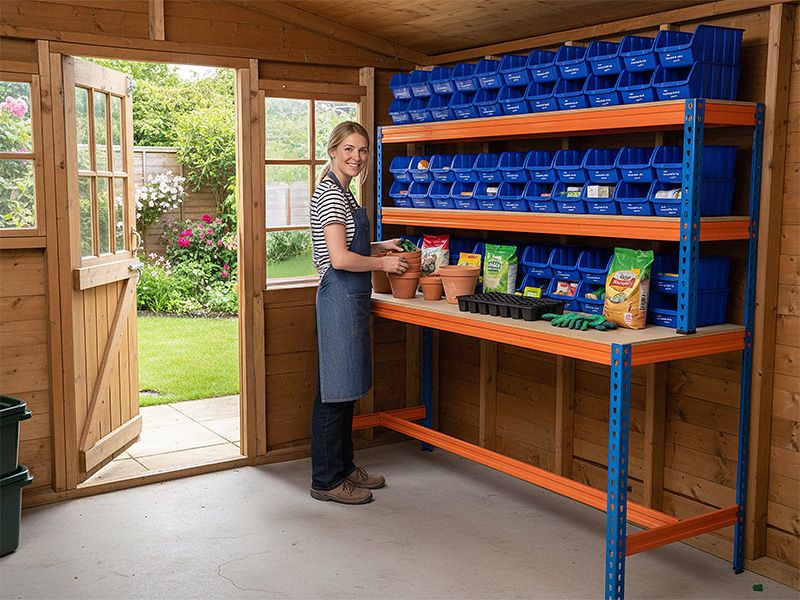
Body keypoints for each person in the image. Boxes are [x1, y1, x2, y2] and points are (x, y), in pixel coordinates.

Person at [309, 121, 407, 505]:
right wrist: (382, 266)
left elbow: (352, 241)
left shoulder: (344, 194)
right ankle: (326, 481)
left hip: (350, 300)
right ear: (332, 151)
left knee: (345, 390)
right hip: (338, 299)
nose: (357, 157)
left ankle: (345, 467)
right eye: (348, 149)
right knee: (334, 394)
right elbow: (340, 257)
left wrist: (381, 245)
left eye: (363, 150)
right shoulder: (332, 197)